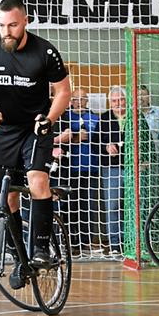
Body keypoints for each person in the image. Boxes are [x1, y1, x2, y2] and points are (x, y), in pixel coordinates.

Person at [0, 0, 71, 289]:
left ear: (25, 21)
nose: (7, 31)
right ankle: (20, 258)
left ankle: (40, 249)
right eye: (2, 25)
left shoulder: (45, 52)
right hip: (4, 130)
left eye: (13, 25)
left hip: (35, 128)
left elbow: (63, 91)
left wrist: (49, 118)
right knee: (7, 198)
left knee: (37, 183)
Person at [98, 87, 152, 255]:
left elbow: (146, 139)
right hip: (112, 169)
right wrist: (106, 146)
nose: (118, 103)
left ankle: (135, 243)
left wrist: (146, 160)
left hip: (133, 168)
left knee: (134, 207)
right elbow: (95, 142)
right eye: (114, 101)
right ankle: (115, 244)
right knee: (112, 207)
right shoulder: (105, 118)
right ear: (110, 103)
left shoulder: (136, 116)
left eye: (121, 100)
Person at [61, 87, 101, 252]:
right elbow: (60, 138)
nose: (79, 102)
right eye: (76, 99)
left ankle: (86, 242)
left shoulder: (95, 118)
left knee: (86, 206)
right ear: (70, 101)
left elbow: (100, 139)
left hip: (89, 167)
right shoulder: (65, 117)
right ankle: (69, 241)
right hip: (69, 168)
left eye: (82, 99)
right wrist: (75, 137)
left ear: (87, 100)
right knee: (69, 206)